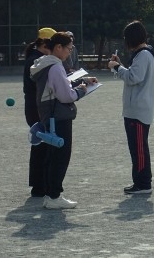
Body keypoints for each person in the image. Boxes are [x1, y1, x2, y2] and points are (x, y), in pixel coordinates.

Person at [31, 32, 97, 209]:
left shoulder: (45, 64)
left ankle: (50, 195)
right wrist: (81, 90)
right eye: (69, 48)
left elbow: (60, 85)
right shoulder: (55, 66)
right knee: (61, 157)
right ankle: (54, 196)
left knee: (53, 156)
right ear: (58, 47)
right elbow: (66, 95)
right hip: (58, 116)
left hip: (50, 115)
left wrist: (82, 82)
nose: (70, 52)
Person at [108, 21, 154, 194]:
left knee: (139, 150)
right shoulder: (142, 54)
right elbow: (133, 74)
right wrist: (120, 66)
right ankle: (140, 181)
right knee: (136, 149)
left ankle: (143, 183)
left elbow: (133, 77)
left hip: (138, 110)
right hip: (135, 109)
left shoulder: (143, 55)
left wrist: (117, 67)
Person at [22, 27, 56, 197]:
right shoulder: (36, 60)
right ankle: (39, 185)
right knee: (42, 146)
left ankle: (39, 184)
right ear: (44, 44)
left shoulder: (35, 58)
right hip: (37, 107)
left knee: (40, 145)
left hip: (34, 106)